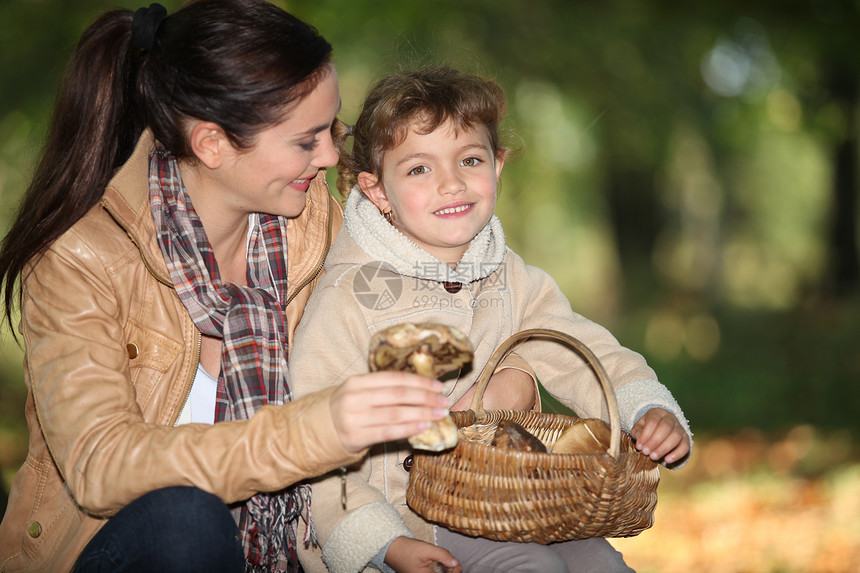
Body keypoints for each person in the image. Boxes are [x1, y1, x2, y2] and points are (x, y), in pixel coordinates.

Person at [0, 3, 467, 572]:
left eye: (332, 128)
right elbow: (103, 466)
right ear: (212, 144)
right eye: (306, 140)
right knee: (188, 520)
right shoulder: (79, 259)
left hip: (295, 553)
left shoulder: (317, 222)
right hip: (123, 552)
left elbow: (427, 303)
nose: (330, 155)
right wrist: (318, 427)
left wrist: (511, 371)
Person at [289, 67, 694, 573]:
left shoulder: (511, 277)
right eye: (418, 169)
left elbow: (583, 354)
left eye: (471, 160)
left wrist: (645, 407)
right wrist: (382, 542)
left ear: (498, 166)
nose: (452, 182)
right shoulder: (349, 298)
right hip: (405, 518)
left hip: (512, 499)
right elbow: (315, 437)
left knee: (601, 565)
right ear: (377, 192)